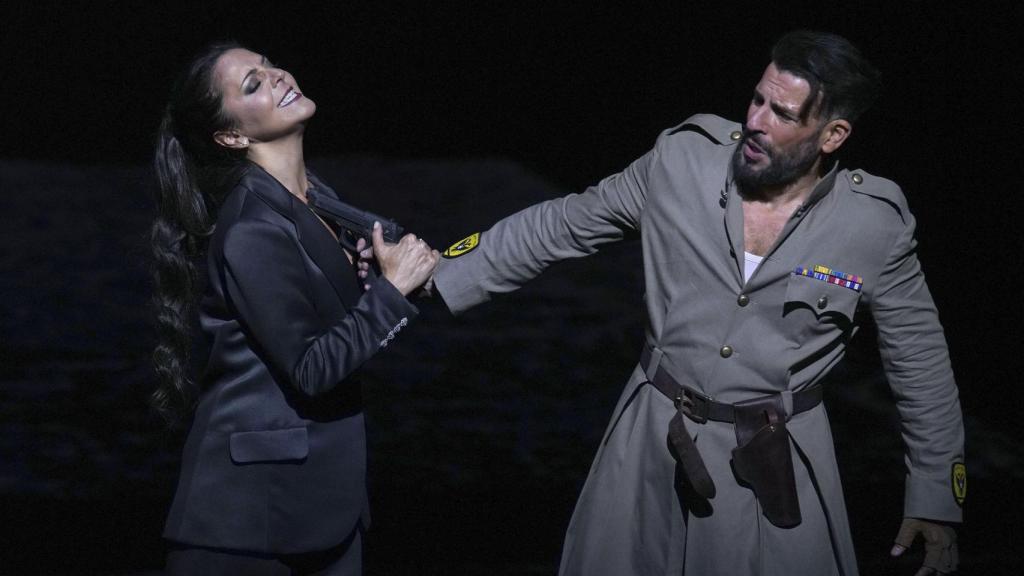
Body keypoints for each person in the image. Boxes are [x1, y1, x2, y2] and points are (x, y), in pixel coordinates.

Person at [429, 30, 964, 575]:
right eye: (757, 99)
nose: (755, 121)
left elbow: (919, 359)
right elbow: (562, 225)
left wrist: (937, 497)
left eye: (780, 113)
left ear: (832, 135)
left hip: (773, 465)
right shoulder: (683, 160)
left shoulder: (873, 224)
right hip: (650, 444)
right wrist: (438, 272)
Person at [150, 42, 439, 574]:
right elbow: (312, 367)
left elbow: (334, 325)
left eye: (268, 65)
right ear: (232, 136)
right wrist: (391, 293)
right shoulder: (252, 228)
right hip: (249, 524)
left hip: (322, 508)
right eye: (253, 85)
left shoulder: (315, 200)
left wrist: (373, 283)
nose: (276, 76)